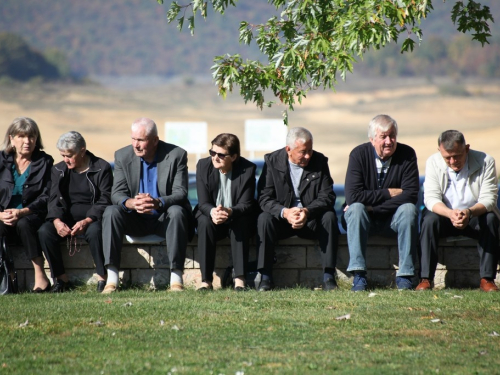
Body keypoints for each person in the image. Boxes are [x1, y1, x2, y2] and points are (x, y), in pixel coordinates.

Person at [101, 117, 193, 293]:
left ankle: (176, 279)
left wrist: (158, 202)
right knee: (111, 211)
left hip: (163, 219)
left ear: (155, 140)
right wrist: (131, 203)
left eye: (141, 140)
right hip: (134, 219)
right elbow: (116, 194)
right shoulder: (122, 155)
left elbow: (180, 192)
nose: (136, 145)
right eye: (133, 139)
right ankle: (112, 279)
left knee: (177, 211)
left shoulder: (176, 155)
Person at [256, 127, 339, 291]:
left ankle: (329, 276)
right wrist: (285, 212)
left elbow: (327, 196)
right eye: (303, 152)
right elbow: (264, 197)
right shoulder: (272, 161)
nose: (308, 156)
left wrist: (307, 212)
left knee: (329, 217)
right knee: (264, 219)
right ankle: (265, 277)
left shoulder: (320, 161)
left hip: (310, 220)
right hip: (282, 221)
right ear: (289, 150)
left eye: (310, 150)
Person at [343, 114, 419, 291]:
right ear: (372, 139)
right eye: (383, 136)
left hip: (392, 220)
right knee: (355, 209)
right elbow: (353, 196)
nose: (389, 141)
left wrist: (373, 206)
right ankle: (359, 276)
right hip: (363, 220)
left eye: (392, 136)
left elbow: (411, 195)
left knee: (408, 210)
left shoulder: (407, 154)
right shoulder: (358, 154)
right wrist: (388, 193)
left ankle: (406, 276)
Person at [417, 130, 500, 292]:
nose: (453, 161)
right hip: (445, 216)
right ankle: (426, 278)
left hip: (474, 215)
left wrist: (468, 213)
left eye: (458, 156)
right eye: (447, 157)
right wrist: (450, 214)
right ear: (439, 151)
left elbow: (489, 199)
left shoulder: (486, 161)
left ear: (467, 148)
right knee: (428, 220)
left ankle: (487, 279)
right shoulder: (433, 162)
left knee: (491, 219)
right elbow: (431, 199)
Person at [38, 131, 113, 293]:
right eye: (63, 155)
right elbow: (53, 199)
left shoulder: (102, 168)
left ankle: (102, 277)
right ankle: (60, 278)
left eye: (69, 155)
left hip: (92, 219)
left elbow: (105, 199)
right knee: (45, 231)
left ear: (82, 151)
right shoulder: (58, 170)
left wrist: (87, 220)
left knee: (95, 232)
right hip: (66, 219)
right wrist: (56, 221)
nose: (66, 159)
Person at [195, 133, 257, 291]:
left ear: (234, 156)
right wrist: (213, 212)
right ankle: (206, 281)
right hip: (211, 215)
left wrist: (229, 211)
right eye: (212, 152)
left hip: (235, 215)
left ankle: (240, 280)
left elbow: (247, 204)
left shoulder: (247, 169)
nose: (215, 158)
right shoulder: (203, 166)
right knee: (203, 222)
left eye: (221, 155)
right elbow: (203, 202)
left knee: (241, 222)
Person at [0, 117, 53, 292]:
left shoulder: (44, 162)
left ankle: (40, 276)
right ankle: (7, 278)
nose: (27, 141)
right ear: (11, 138)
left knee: (24, 224)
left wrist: (22, 212)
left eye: (31, 136)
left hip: (31, 214)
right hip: (4, 216)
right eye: (22, 136)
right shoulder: (1, 160)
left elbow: (47, 196)